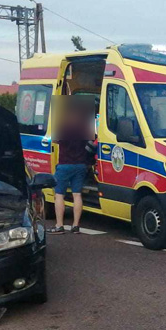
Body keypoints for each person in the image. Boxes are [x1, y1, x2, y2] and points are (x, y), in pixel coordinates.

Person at [48, 97, 95, 235]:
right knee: (77, 195)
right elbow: (91, 143)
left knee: (59, 195)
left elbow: (55, 140)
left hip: (64, 165)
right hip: (80, 165)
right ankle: (75, 226)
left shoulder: (63, 127)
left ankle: (59, 225)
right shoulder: (84, 127)